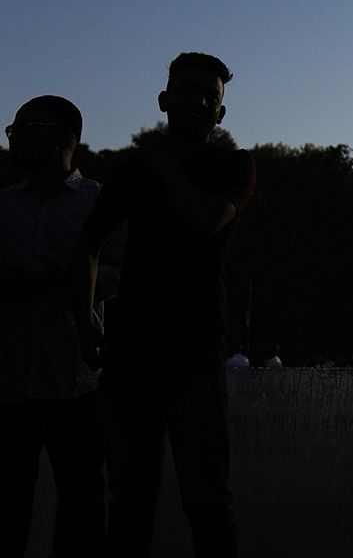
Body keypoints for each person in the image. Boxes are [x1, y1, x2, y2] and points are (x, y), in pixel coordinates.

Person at [77, 53, 254, 558]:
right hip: (130, 352)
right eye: (188, 91)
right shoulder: (131, 171)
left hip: (197, 348)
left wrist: (162, 163)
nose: (199, 102)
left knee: (207, 498)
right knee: (130, 500)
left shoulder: (233, 165)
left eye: (210, 96)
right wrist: (85, 322)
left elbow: (206, 220)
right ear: (164, 100)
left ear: (221, 113)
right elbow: (88, 246)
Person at [1, 96, 109, 556]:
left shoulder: (98, 201)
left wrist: (66, 278)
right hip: (11, 374)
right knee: (7, 501)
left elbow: (125, 271)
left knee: (81, 499)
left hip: (76, 376)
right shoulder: (5, 205)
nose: (14, 138)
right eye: (13, 130)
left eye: (25, 129)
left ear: (65, 137)